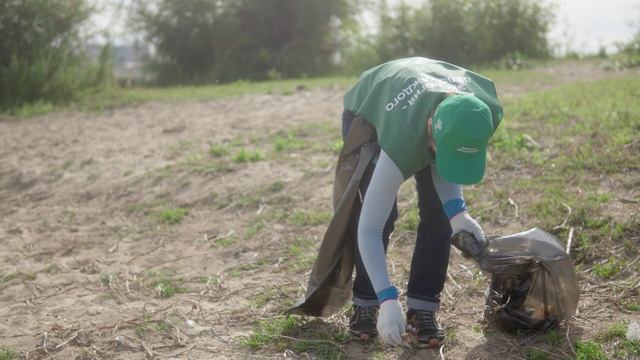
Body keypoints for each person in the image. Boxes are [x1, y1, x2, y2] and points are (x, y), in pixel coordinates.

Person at [341, 57, 503, 347]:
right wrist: (388, 299)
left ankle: (422, 309)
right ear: (430, 129)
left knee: (439, 215)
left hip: (428, 105)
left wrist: (458, 215)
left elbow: (444, 159)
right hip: (369, 109)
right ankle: (366, 302)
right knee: (382, 214)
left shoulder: (483, 113)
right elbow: (369, 229)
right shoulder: (402, 139)